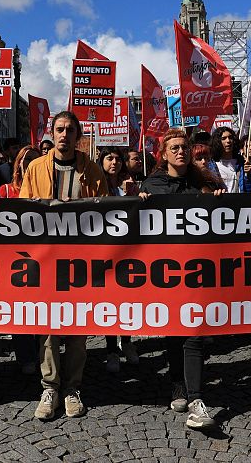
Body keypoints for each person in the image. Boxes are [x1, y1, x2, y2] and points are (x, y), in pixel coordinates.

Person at [20, 111, 108, 421]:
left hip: (80, 264)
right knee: (47, 329)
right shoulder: (36, 168)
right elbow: (23, 210)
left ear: (77, 136)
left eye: (70, 130)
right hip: (45, 263)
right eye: (60, 129)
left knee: (77, 329)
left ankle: (72, 388)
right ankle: (50, 388)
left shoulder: (92, 170)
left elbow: (105, 213)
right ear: (52, 133)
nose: (64, 135)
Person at [139, 128, 225, 430]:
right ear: (164, 154)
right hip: (165, 272)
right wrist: (138, 202)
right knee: (174, 331)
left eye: (184, 147)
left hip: (198, 270)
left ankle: (196, 396)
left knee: (195, 331)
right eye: (174, 148)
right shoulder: (152, 185)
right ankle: (178, 384)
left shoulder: (205, 183)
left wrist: (218, 201)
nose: (180, 152)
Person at [0, 145, 41, 375]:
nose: (31, 163)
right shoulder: (6, 191)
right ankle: (26, 357)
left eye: (35, 159)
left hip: (42, 260)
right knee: (20, 311)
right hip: (14, 262)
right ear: (19, 164)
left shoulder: (47, 189)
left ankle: (42, 354)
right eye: (27, 159)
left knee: (41, 310)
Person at [97, 146, 140, 372]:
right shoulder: (96, 183)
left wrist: (137, 196)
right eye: (109, 158)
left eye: (117, 159)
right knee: (110, 302)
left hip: (128, 251)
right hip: (105, 251)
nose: (114, 162)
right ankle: (111, 349)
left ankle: (127, 341)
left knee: (128, 299)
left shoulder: (129, 184)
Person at [210, 126, 251, 193]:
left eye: (230, 137)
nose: (228, 141)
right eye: (223, 138)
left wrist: (248, 175)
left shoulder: (242, 163)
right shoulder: (211, 165)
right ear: (217, 142)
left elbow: (250, 190)